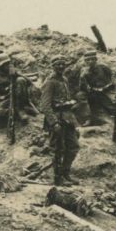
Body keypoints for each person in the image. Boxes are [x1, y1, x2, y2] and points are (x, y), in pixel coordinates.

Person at [40, 55, 80, 186]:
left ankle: (65, 173)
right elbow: (45, 106)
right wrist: (54, 122)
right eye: (58, 64)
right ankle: (57, 178)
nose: (61, 67)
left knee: (73, 146)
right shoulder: (49, 82)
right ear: (53, 66)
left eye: (63, 64)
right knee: (58, 149)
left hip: (68, 118)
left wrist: (74, 121)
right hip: (56, 119)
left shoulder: (64, 80)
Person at [79, 50, 116, 127]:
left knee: (111, 107)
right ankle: (89, 119)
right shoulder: (84, 71)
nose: (90, 61)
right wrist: (83, 78)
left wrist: (107, 87)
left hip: (106, 91)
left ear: (96, 59)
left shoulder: (103, 67)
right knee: (85, 100)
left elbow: (113, 78)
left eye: (92, 59)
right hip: (94, 92)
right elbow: (82, 86)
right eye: (87, 60)